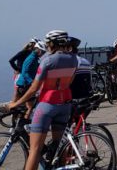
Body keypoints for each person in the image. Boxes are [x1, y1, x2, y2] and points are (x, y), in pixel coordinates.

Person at [8, 30, 76, 170]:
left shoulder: (48, 60)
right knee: (59, 147)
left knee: (35, 150)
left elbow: (34, 88)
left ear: (53, 43)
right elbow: (70, 82)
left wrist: (16, 103)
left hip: (47, 105)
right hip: (64, 105)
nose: (47, 46)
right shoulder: (73, 59)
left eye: (48, 43)